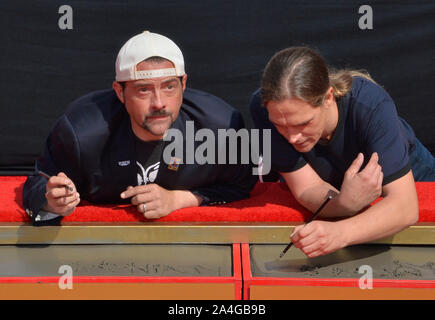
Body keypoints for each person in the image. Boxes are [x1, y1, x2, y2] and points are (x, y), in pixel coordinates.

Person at [23, 31, 257, 225]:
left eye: (169, 87)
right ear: (120, 92)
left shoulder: (219, 126)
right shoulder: (82, 132)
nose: (159, 103)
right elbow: (40, 182)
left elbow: (241, 183)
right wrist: (51, 201)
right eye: (144, 89)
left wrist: (180, 199)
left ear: (184, 84)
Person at [250, 46, 435, 258]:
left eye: (303, 123)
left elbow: (405, 207)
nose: (292, 137)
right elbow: (307, 188)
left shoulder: (370, 105)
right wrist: (344, 204)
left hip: (411, 174)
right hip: (338, 186)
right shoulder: (263, 107)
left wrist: (339, 233)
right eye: (280, 126)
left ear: (328, 98)